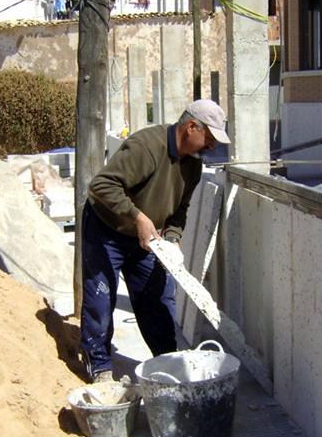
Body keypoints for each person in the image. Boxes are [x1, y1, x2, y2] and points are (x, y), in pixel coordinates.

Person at [80, 99, 231, 383]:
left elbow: (180, 210)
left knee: (158, 300)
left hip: (148, 239)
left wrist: (172, 237)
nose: (211, 147)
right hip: (107, 228)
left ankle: (168, 365)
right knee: (101, 299)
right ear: (190, 128)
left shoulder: (193, 167)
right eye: (209, 139)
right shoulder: (147, 147)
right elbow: (101, 186)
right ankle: (99, 367)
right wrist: (137, 218)